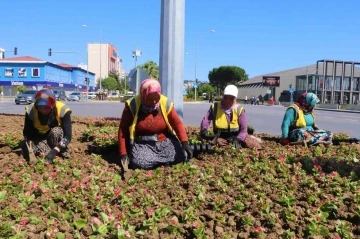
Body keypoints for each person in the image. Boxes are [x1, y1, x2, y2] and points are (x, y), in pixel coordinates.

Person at [118, 78, 193, 170]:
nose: (154, 102)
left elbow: (177, 123)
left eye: (156, 98)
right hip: (143, 144)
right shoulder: (132, 105)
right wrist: (123, 153)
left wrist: (184, 142)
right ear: (143, 96)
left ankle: (163, 163)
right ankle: (163, 163)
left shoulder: (165, 103)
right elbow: (123, 129)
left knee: (180, 155)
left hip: (164, 142)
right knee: (138, 162)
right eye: (150, 99)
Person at [200, 85, 262, 149]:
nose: (228, 100)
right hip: (220, 136)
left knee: (254, 145)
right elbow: (206, 120)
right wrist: (204, 130)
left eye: (231, 98)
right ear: (223, 96)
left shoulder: (239, 110)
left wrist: (238, 139)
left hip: (236, 136)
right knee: (217, 145)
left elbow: (244, 129)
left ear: (235, 99)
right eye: (226, 97)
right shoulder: (215, 107)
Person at [21, 88, 72, 163]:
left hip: (56, 140)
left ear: (52, 106)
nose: (43, 110)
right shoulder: (31, 111)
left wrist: (54, 151)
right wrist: (29, 145)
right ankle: (44, 151)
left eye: (46, 108)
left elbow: (68, 137)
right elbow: (26, 132)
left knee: (56, 131)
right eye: (40, 108)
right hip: (40, 138)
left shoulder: (63, 110)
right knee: (26, 146)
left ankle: (58, 150)